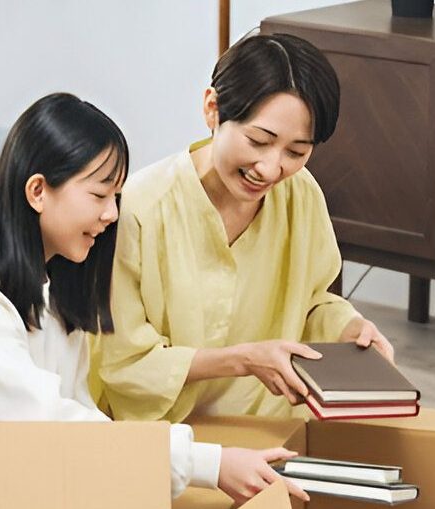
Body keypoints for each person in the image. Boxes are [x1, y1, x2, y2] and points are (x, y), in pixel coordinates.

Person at [0, 93, 308, 505]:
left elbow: (75, 412)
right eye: (99, 195)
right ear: (38, 191)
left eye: (115, 197)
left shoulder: (56, 280)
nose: (111, 214)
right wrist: (209, 464)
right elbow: (46, 423)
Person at [97, 33, 395, 423]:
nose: (272, 169)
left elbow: (313, 302)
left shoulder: (300, 194)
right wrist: (242, 361)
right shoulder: (140, 209)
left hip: (271, 427)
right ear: (212, 108)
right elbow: (123, 362)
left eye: (296, 152)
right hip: (165, 438)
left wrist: (349, 328)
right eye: (258, 140)